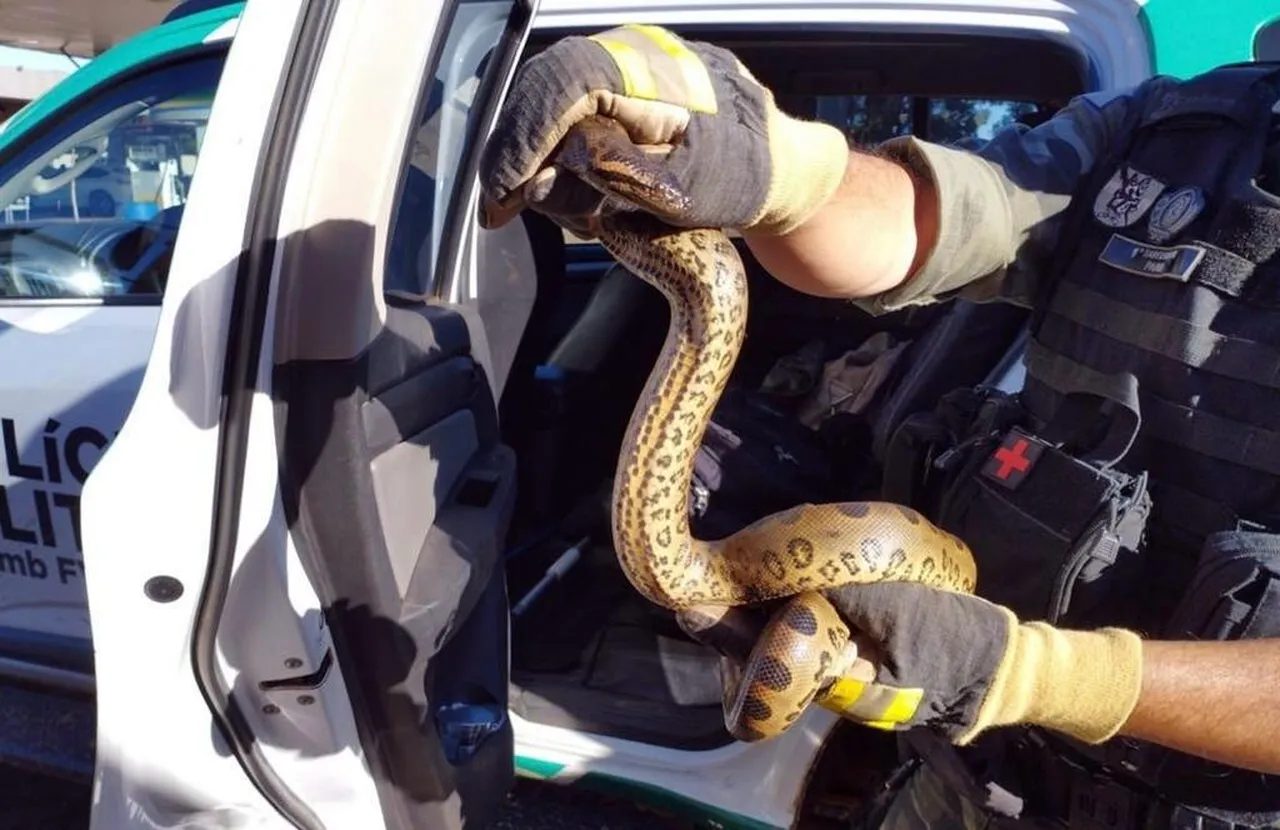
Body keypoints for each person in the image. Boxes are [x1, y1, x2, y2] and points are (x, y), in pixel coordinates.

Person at [478, 24, 1280, 828]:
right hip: (970, 779)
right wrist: (774, 164)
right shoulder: (1181, 129)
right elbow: (923, 216)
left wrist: (1033, 674)